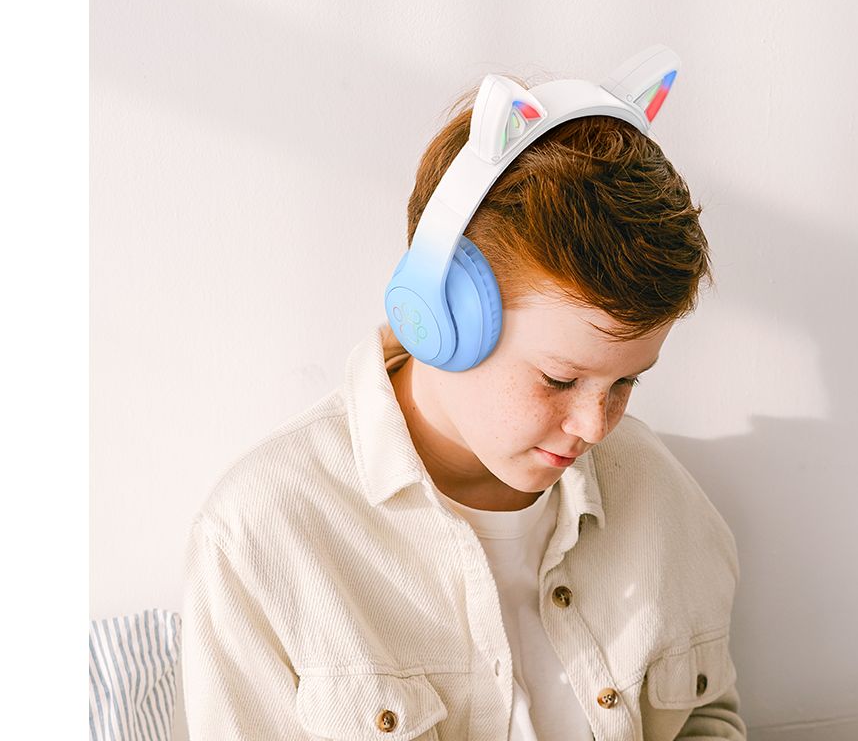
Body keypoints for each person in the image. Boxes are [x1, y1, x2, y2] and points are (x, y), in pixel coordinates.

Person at [181, 50, 747, 741]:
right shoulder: (263, 536)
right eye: (560, 380)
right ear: (440, 315)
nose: (595, 425)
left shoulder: (662, 498)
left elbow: (708, 719)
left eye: (626, 381)